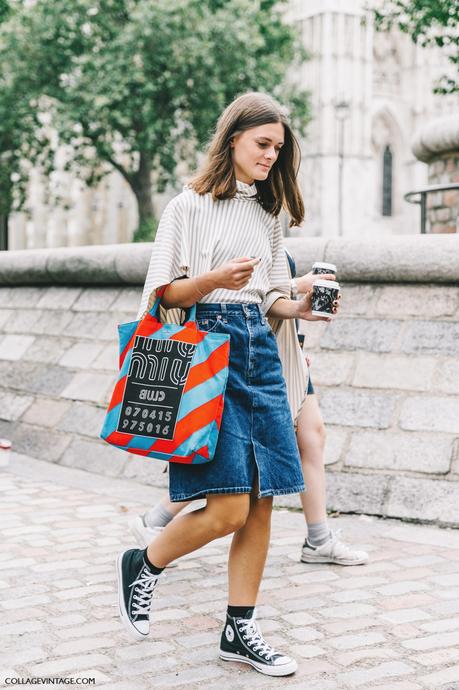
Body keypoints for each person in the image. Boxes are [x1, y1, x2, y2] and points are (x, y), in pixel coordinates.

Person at [116, 92, 325, 677]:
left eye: (278, 149)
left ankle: (240, 628)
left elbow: (274, 294)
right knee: (228, 506)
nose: (269, 156)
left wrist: (298, 305)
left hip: (259, 349)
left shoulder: (270, 212)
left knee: (261, 503)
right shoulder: (187, 207)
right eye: (262, 144)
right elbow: (162, 297)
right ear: (232, 138)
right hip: (205, 352)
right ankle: (145, 561)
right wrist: (210, 279)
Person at [130, 253, 368, 567]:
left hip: (279, 349)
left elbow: (264, 296)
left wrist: (296, 332)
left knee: (312, 436)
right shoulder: (226, 219)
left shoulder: (269, 224)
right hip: (248, 354)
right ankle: (154, 527)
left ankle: (318, 538)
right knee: (239, 461)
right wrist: (298, 286)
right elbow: (231, 293)